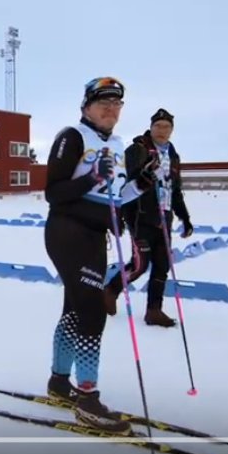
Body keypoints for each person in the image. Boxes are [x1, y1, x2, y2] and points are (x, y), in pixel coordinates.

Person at [43, 76, 158, 433]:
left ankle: (59, 383)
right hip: (67, 232)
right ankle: (88, 400)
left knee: (75, 310)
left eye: (116, 104)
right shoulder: (72, 137)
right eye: (103, 103)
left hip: (95, 237)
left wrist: (141, 184)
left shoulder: (119, 145)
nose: (111, 109)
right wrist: (92, 177)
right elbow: (53, 192)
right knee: (92, 311)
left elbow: (116, 196)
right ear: (86, 107)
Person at [103, 108, 194, 328]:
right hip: (140, 217)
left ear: (172, 130)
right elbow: (125, 184)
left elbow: (176, 190)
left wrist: (185, 218)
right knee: (139, 264)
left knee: (162, 265)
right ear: (151, 127)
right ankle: (110, 291)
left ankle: (154, 310)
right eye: (158, 126)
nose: (162, 130)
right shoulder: (138, 149)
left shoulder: (173, 155)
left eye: (167, 127)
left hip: (164, 217)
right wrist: (120, 216)